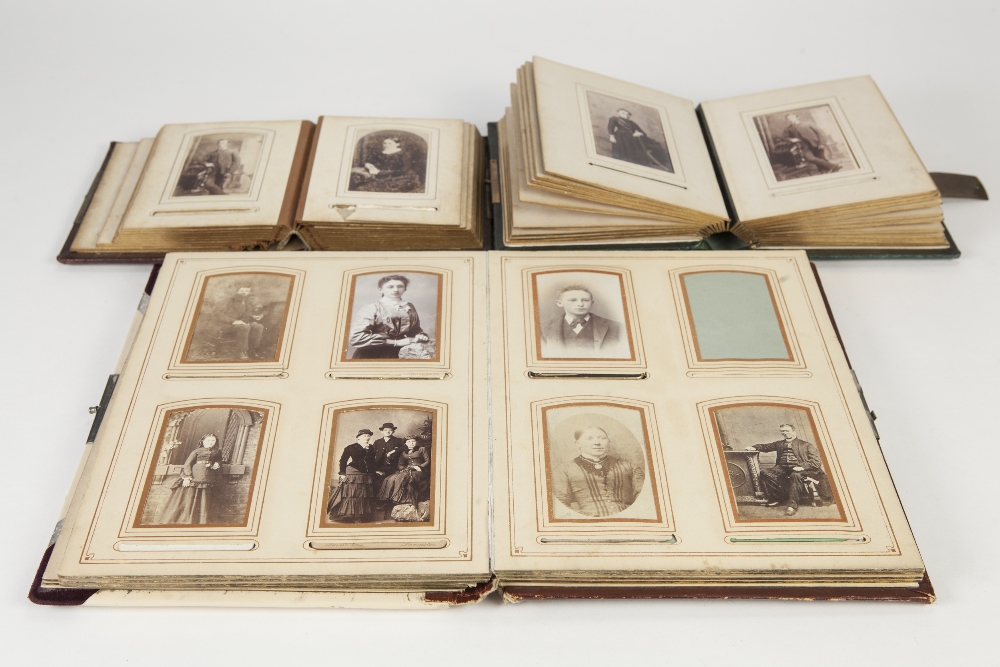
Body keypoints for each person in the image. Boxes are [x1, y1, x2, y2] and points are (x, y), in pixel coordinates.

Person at [552, 426, 644, 517]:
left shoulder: (629, 467)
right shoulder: (564, 469)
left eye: (602, 438)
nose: (597, 443)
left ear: (608, 441)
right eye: (589, 438)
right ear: (578, 444)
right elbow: (560, 504)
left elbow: (645, 496)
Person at [746, 424, 833, 515]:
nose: (784, 433)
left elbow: (816, 461)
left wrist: (802, 467)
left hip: (800, 468)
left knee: (795, 475)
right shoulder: (780, 443)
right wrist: (754, 447)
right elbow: (766, 447)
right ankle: (778, 497)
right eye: (782, 431)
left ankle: (792, 505)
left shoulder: (806, 445)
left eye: (787, 431)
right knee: (765, 473)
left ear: (793, 431)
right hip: (783, 468)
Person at [348, 275, 430, 359]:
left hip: (402, 351)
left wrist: (419, 335)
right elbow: (356, 338)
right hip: (373, 353)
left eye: (400, 286)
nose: (396, 290)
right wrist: (396, 342)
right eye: (390, 287)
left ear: (405, 289)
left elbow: (414, 330)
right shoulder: (372, 308)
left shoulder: (409, 307)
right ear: (380, 290)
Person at [540, 284, 624, 358]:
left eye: (585, 300)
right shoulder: (543, 328)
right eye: (573, 300)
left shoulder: (616, 327)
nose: (580, 304)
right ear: (559, 303)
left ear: (592, 302)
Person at [157, 433, 224, 525]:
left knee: (204, 497)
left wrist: (217, 463)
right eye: (208, 440)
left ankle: (201, 521)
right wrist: (187, 477)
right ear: (203, 442)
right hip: (196, 474)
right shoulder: (196, 451)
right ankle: (186, 520)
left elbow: (219, 460)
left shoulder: (217, 451)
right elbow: (188, 464)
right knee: (190, 496)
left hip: (209, 475)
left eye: (213, 441)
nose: (211, 442)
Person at [327, 429, 378, 522]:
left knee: (363, 496)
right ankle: (352, 516)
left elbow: (372, 462)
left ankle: (361, 515)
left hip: (366, 475)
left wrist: (374, 471)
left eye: (368, 436)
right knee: (353, 494)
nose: (367, 438)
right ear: (358, 438)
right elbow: (342, 461)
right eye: (364, 436)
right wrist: (342, 474)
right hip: (353, 473)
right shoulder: (351, 447)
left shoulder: (371, 447)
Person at [349, 136, 424, 193]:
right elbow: (370, 161)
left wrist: (380, 172)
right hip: (379, 174)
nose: (386, 145)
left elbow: (403, 170)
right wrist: (369, 165)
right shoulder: (382, 153)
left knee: (364, 189)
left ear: (397, 144)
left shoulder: (404, 154)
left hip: (399, 177)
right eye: (385, 143)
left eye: (389, 143)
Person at [607, 109, 672, 171]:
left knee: (634, 151)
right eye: (623, 113)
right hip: (620, 137)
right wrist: (611, 136)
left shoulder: (631, 123)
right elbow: (611, 127)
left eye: (627, 114)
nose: (625, 115)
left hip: (631, 138)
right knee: (621, 151)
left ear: (629, 116)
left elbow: (640, 130)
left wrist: (640, 133)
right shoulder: (614, 119)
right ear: (619, 113)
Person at [377, 435, 431, 511]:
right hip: (408, 469)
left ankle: (398, 498)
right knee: (390, 478)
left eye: (413, 441)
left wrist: (418, 467)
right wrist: (404, 468)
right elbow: (400, 464)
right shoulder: (403, 452)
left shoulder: (422, 449)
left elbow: (427, 461)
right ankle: (387, 499)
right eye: (409, 442)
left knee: (405, 477)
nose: (411, 443)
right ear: (406, 443)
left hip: (420, 470)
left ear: (416, 442)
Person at [219, 285, 264, 360]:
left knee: (259, 326)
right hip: (225, 324)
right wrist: (234, 321)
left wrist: (253, 317)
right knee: (244, 327)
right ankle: (241, 351)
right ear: (237, 291)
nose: (244, 293)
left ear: (249, 292)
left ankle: (252, 350)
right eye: (242, 291)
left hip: (240, 323)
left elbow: (245, 314)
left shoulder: (246, 302)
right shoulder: (228, 300)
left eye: (247, 291)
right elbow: (219, 314)